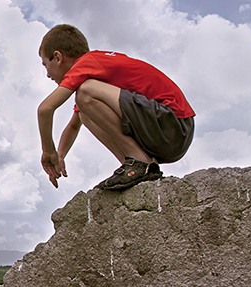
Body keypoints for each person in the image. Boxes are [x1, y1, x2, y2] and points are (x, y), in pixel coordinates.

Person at [37, 24, 195, 191]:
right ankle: (136, 168)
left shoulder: (86, 64)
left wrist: (48, 151)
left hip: (173, 123)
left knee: (85, 92)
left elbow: (45, 109)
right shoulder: (97, 70)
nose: (47, 74)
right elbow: (74, 125)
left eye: (45, 65)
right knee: (84, 112)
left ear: (57, 57)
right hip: (168, 130)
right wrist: (60, 155)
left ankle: (139, 161)